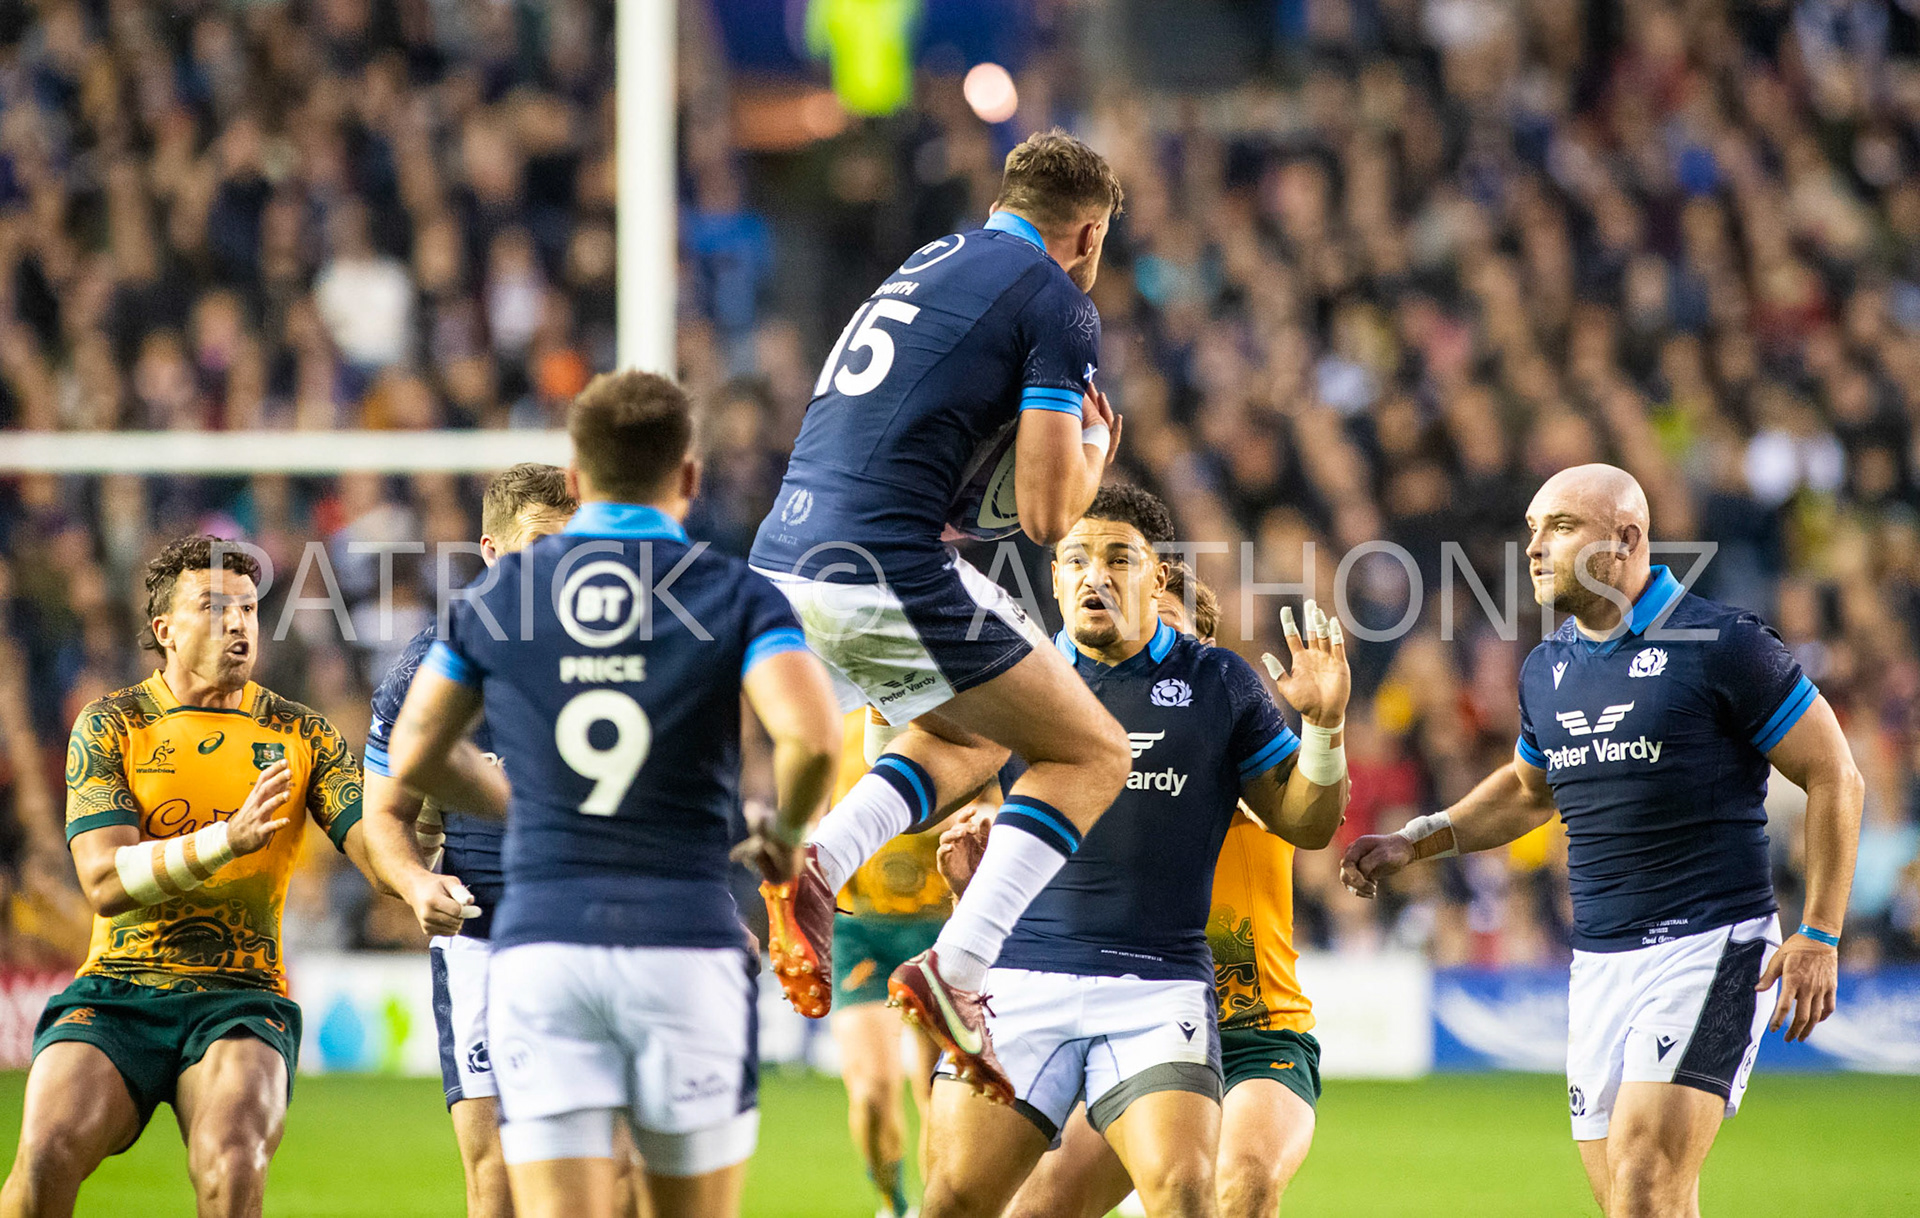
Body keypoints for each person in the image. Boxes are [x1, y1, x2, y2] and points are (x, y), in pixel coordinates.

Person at [1341, 463, 1864, 1218]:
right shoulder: (1548, 668)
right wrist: (1418, 840)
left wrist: (1819, 931)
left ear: (1627, 537)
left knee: (1645, 1182)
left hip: (1710, 946)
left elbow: (1835, 774)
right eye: (1531, 531)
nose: (1533, 548)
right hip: (1599, 964)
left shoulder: (1721, 642)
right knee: (1632, 1197)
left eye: (1559, 527)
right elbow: (1527, 792)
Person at [384, 371, 842, 1218]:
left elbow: (414, 753)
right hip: (685, 943)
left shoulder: (500, 596)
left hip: (543, 950)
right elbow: (813, 740)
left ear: (577, 481)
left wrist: (521, 808)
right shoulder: (732, 593)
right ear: (690, 478)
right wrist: (783, 831)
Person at [745, 128, 1132, 1095]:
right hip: (884, 564)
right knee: (1092, 753)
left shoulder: (926, 262)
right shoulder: (1057, 301)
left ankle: (817, 863)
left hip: (784, 558)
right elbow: (1047, 516)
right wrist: (1092, 457)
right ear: (1087, 235)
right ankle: (958, 968)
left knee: (961, 742)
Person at [922, 487, 1350, 1218]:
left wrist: (1325, 727)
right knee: (959, 1201)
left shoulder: (1220, 684)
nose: (1097, 575)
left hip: (1159, 989)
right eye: (1077, 559)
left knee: (1189, 1194)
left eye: (1120, 558)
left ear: (1157, 576)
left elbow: (1307, 825)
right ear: (1053, 577)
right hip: (1022, 979)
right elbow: (927, 789)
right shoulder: (1011, 677)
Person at [2, 536, 376, 1218]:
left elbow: (375, 845)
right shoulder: (114, 723)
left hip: (241, 995)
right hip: (118, 990)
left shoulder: (304, 733)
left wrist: (425, 841)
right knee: (47, 1150)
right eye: (214, 606)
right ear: (164, 632)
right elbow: (105, 882)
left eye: (248, 609)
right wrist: (223, 841)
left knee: (231, 1163)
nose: (239, 622)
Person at [359, 462, 662, 1218]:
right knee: (495, 1173)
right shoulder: (430, 667)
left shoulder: (635, 657)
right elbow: (385, 819)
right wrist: (416, 883)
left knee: (621, 1173)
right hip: (483, 940)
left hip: (602, 933)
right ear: (492, 551)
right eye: (538, 543)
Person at [999, 563, 1326, 1218]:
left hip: (1252, 1038)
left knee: (1240, 1182)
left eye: (1168, 630)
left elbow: (1311, 808)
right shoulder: (1085, 772)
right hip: (1137, 1022)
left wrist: (1326, 730)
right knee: (1034, 1207)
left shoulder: (1245, 751)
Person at [826, 710, 955, 1218]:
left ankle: (934, 1210)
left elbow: (992, 805)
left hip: (939, 927)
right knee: (873, 1094)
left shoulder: (959, 712)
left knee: (936, 1093)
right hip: (860, 928)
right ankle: (892, 1205)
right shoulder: (838, 718)